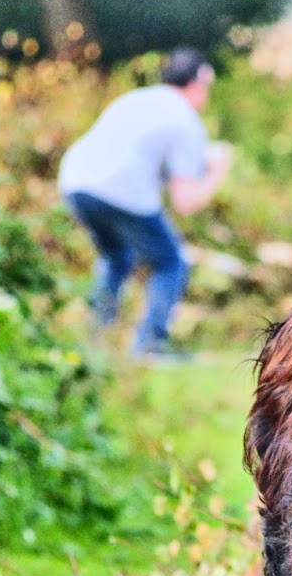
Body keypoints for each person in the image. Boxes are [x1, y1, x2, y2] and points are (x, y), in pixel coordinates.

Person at [58, 47, 233, 361]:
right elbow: (186, 202)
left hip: (75, 183)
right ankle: (150, 346)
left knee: (116, 258)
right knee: (171, 261)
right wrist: (217, 171)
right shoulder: (185, 120)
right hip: (120, 191)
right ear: (197, 84)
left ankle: (94, 343)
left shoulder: (138, 98)